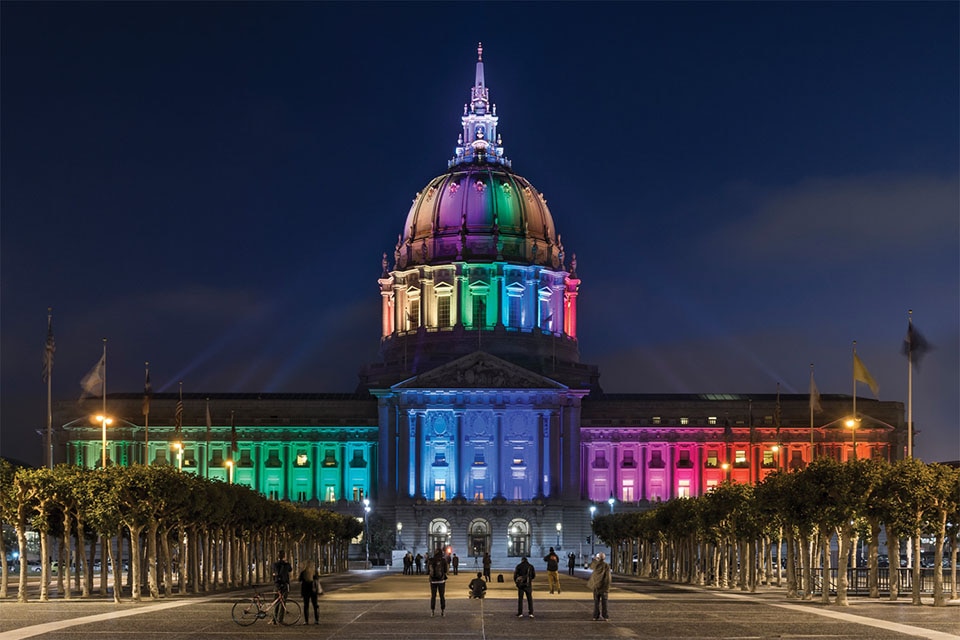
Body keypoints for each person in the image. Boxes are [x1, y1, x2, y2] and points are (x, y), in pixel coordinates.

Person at [587, 552, 612, 621]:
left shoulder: (595, 565)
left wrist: (595, 560)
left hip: (596, 586)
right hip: (603, 586)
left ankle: (595, 616)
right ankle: (605, 616)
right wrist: (607, 585)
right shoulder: (606, 565)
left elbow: (590, 567)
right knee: (604, 602)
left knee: (596, 602)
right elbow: (608, 577)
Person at [271, 550, 292, 624]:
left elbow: (274, 572)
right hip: (284, 584)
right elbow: (290, 569)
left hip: (277, 585)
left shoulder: (274, 564)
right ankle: (280, 619)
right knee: (283, 602)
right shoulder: (286, 564)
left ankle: (274, 618)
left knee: (275, 602)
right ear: (284, 556)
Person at [427, 549, 448, 617]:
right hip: (441, 581)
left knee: (433, 596)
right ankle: (443, 611)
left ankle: (432, 611)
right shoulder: (443, 560)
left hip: (433, 581)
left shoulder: (431, 560)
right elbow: (445, 570)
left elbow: (427, 570)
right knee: (442, 596)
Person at [298, 560, 320, 625]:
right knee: (315, 605)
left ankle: (306, 621)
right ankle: (316, 620)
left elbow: (299, 579)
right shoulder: (314, 572)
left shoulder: (303, 572)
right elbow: (317, 579)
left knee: (306, 606)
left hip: (305, 590)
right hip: (313, 590)